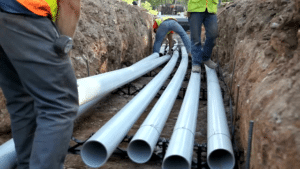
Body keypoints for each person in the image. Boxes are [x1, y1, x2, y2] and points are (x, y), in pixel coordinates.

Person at [0, 0, 80, 168]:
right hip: (25, 11)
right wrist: (63, 50)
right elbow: (70, 4)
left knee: (21, 100)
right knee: (60, 104)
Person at [187, 0, 221, 72]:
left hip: (211, 8)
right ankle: (196, 63)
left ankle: (206, 58)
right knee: (195, 37)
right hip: (196, 8)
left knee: (213, 34)